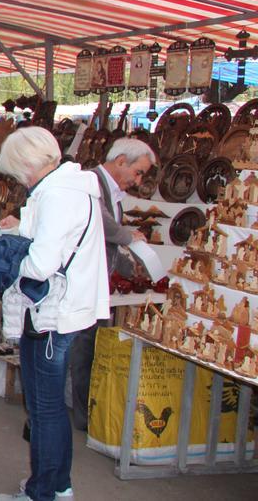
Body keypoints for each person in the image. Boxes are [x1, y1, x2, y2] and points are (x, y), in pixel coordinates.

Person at [0, 127, 108, 501]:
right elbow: (53, 239)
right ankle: (58, 484)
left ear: (27, 164)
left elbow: (42, 263)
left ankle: (41, 490)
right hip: (63, 310)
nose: (17, 180)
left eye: (15, 172)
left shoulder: (58, 194)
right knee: (50, 406)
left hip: (52, 314)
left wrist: (6, 255)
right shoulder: (72, 188)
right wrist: (21, 229)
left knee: (44, 409)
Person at [68, 138, 156, 430]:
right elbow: (100, 223)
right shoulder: (91, 181)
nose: (138, 179)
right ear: (121, 162)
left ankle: (82, 412)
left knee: (86, 350)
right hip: (83, 282)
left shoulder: (111, 190)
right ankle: (79, 417)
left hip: (94, 282)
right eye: (139, 172)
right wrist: (128, 236)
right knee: (81, 351)